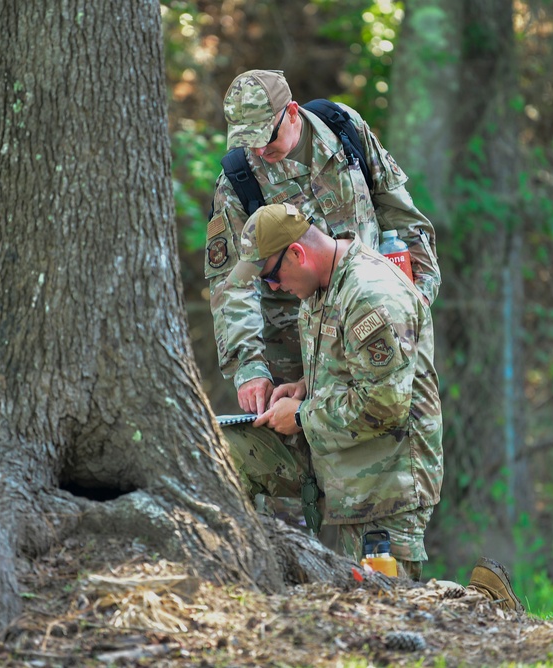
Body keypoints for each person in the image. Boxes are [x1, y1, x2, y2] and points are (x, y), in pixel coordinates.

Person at [222, 203, 522, 613]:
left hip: (387, 481)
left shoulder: (369, 294)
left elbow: (384, 405)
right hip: (350, 465)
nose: (272, 287)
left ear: (297, 253)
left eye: (272, 275)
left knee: (388, 612)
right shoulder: (321, 284)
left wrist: (301, 416)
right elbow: (348, 366)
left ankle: (486, 606)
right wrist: (305, 385)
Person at [204, 69, 441, 416]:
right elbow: (231, 284)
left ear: (293, 113)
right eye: (247, 139)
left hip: (373, 322)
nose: (258, 148)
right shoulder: (238, 181)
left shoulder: (343, 128)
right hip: (294, 350)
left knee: (389, 432)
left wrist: (418, 295)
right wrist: (249, 366)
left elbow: (400, 215)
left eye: (266, 136)